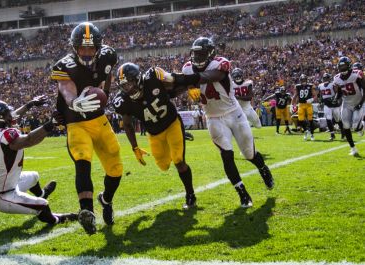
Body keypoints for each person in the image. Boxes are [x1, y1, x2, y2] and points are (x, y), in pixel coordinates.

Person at [181, 37, 274, 208]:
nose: (198, 57)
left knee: (249, 154)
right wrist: (180, 85)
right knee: (227, 156)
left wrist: (185, 81)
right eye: (196, 54)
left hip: (234, 113)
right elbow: (181, 85)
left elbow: (212, 76)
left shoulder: (219, 64)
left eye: (201, 54)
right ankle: (243, 194)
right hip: (214, 118)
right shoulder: (187, 69)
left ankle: (262, 168)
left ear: (210, 54)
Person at [51, 22, 122, 235]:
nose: (87, 52)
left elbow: (107, 75)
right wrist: (74, 102)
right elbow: (66, 89)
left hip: (99, 121)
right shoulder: (64, 65)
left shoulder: (108, 56)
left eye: (91, 48)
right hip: (76, 122)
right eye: (82, 48)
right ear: (74, 48)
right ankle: (87, 212)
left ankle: (106, 200)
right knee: (82, 161)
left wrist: (106, 94)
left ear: (98, 47)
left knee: (116, 168)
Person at [0, 97, 77, 225]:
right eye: (6, 114)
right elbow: (29, 140)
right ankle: (57, 219)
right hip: (1, 195)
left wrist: (30, 104)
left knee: (34, 176)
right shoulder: (5, 136)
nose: (11, 115)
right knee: (43, 206)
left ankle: (42, 194)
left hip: (7, 184)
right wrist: (50, 125)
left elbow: (14, 116)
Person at [112, 62, 197, 209]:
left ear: (137, 78)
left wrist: (191, 85)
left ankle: (190, 195)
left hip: (172, 124)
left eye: (129, 83)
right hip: (155, 133)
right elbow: (127, 124)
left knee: (178, 160)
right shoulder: (123, 101)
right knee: (163, 166)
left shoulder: (154, 77)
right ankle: (177, 143)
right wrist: (135, 147)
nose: (128, 88)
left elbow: (177, 80)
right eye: (124, 86)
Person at [333, 56, 365, 156]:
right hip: (346, 103)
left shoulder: (356, 75)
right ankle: (353, 148)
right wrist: (335, 98)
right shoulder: (337, 78)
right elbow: (339, 93)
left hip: (358, 101)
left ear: (349, 65)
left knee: (355, 126)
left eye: (344, 66)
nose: (342, 69)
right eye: (341, 67)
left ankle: (362, 126)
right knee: (346, 125)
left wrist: (360, 103)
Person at [318, 73, 343, 141]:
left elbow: (337, 92)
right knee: (328, 119)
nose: (325, 79)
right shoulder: (320, 85)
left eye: (327, 78)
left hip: (334, 105)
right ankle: (332, 134)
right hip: (327, 104)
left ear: (329, 78)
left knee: (338, 119)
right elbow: (320, 95)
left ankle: (343, 133)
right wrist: (320, 102)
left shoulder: (332, 84)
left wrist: (335, 99)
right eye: (324, 78)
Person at [292, 74, 317, 141]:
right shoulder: (298, 86)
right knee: (300, 119)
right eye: (302, 80)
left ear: (306, 80)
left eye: (304, 80)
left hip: (308, 104)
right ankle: (306, 130)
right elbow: (295, 95)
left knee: (310, 119)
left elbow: (315, 95)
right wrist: (292, 104)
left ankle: (311, 134)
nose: (303, 81)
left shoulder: (310, 86)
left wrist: (312, 99)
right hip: (301, 104)